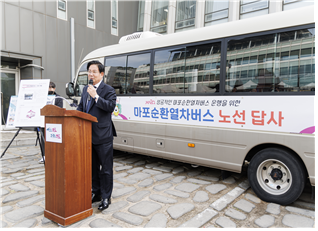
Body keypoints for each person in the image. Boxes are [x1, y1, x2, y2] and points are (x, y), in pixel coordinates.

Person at [77, 60, 117, 211]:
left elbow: (110, 107)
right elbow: (82, 108)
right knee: (92, 168)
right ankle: (97, 192)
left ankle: (106, 197)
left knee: (105, 169)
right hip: (88, 135)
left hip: (103, 136)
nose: (90, 74)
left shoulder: (108, 90)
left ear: (101, 74)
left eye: (94, 71)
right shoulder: (85, 90)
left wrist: (96, 96)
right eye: (89, 71)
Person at [38, 81, 63, 164]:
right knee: (43, 138)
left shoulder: (58, 97)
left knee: (54, 138)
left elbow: (60, 109)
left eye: (52, 87)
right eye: (49, 87)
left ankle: (55, 155)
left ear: (54, 88)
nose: (50, 89)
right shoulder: (43, 97)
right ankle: (44, 155)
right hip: (44, 120)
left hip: (54, 122)